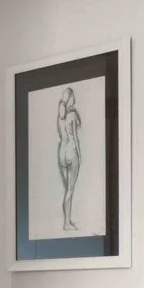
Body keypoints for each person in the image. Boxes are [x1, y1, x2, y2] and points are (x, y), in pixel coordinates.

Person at [56, 85, 83, 230]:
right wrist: (80, 154)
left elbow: (62, 135)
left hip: (62, 153)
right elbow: (76, 136)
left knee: (67, 190)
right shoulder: (73, 114)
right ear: (70, 98)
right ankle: (66, 223)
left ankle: (68, 220)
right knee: (70, 190)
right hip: (72, 152)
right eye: (73, 97)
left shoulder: (60, 116)